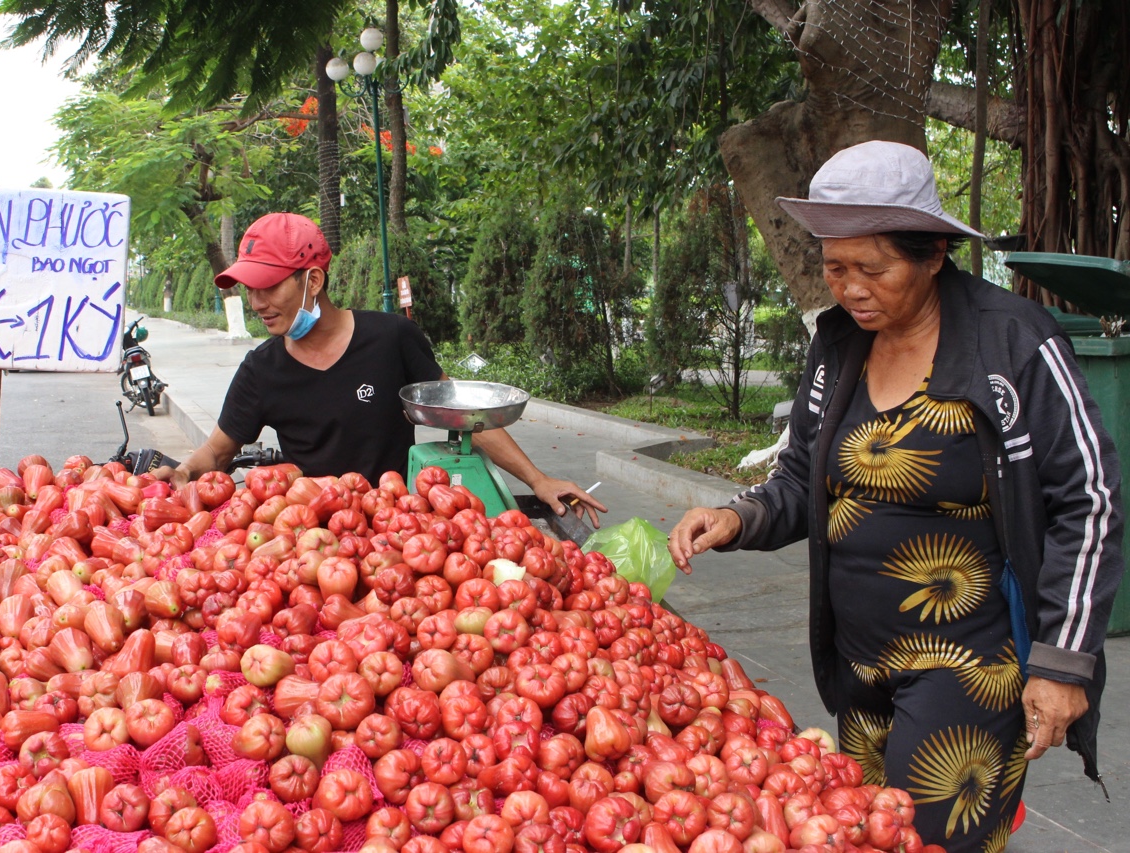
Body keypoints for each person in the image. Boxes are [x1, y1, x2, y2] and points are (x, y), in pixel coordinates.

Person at [668, 141, 1122, 852]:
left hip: (965, 668)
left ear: (934, 252)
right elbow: (803, 474)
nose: (850, 288)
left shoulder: (1014, 343)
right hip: (858, 669)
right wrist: (738, 515)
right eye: (835, 267)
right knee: (858, 836)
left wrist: (1064, 663)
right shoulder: (840, 344)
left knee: (921, 840)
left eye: (871, 269)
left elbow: (1089, 499)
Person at [155, 212, 606, 526]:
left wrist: (539, 480)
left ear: (313, 280)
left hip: (399, 533)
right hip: (312, 545)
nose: (256, 304)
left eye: (268, 287)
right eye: (250, 290)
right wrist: (184, 472)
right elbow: (217, 452)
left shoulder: (391, 338)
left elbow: (464, 417)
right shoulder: (260, 370)